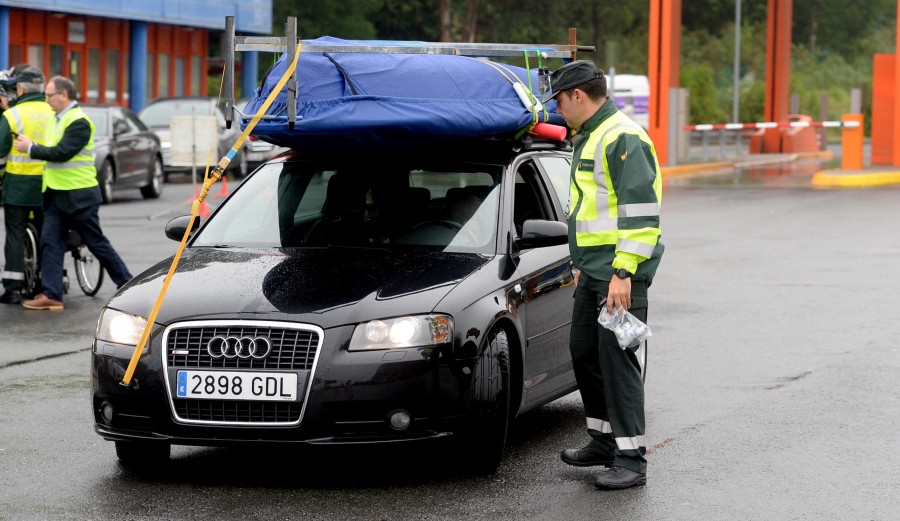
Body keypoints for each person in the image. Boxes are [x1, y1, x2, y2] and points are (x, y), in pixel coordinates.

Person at [543, 60, 664, 490]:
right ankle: (603, 439)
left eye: (559, 98)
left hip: (619, 272)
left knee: (618, 363)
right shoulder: (590, 136)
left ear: (578, 95)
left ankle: (631, 460)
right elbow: (588, 210)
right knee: (584, 352)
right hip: (592, 270)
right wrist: (581, 265)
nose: (557, 107)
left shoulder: (622, 137)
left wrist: (623, 272)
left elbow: (641, 215)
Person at [13, 75, 133, 310]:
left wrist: (31, 148)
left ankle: (127, 284)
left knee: (96, 243)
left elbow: (61, 152)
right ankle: (52, 294)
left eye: (50, 95)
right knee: (50, 243)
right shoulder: (57, 119)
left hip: (79, 196)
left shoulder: (79, 121)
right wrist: (32, 144)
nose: (46, 99)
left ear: (64, 95)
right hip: (57, 194)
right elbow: (51, 149)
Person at [0, 67, 54, 304]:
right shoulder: (54, 113)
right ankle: (47, 284)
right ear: (42, 88)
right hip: (48, 186)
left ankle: (13, 288)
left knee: (15, 234)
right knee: (48, 235)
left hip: (18, 187)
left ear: (20, 89)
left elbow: (1, 152)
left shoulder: (12, 115)